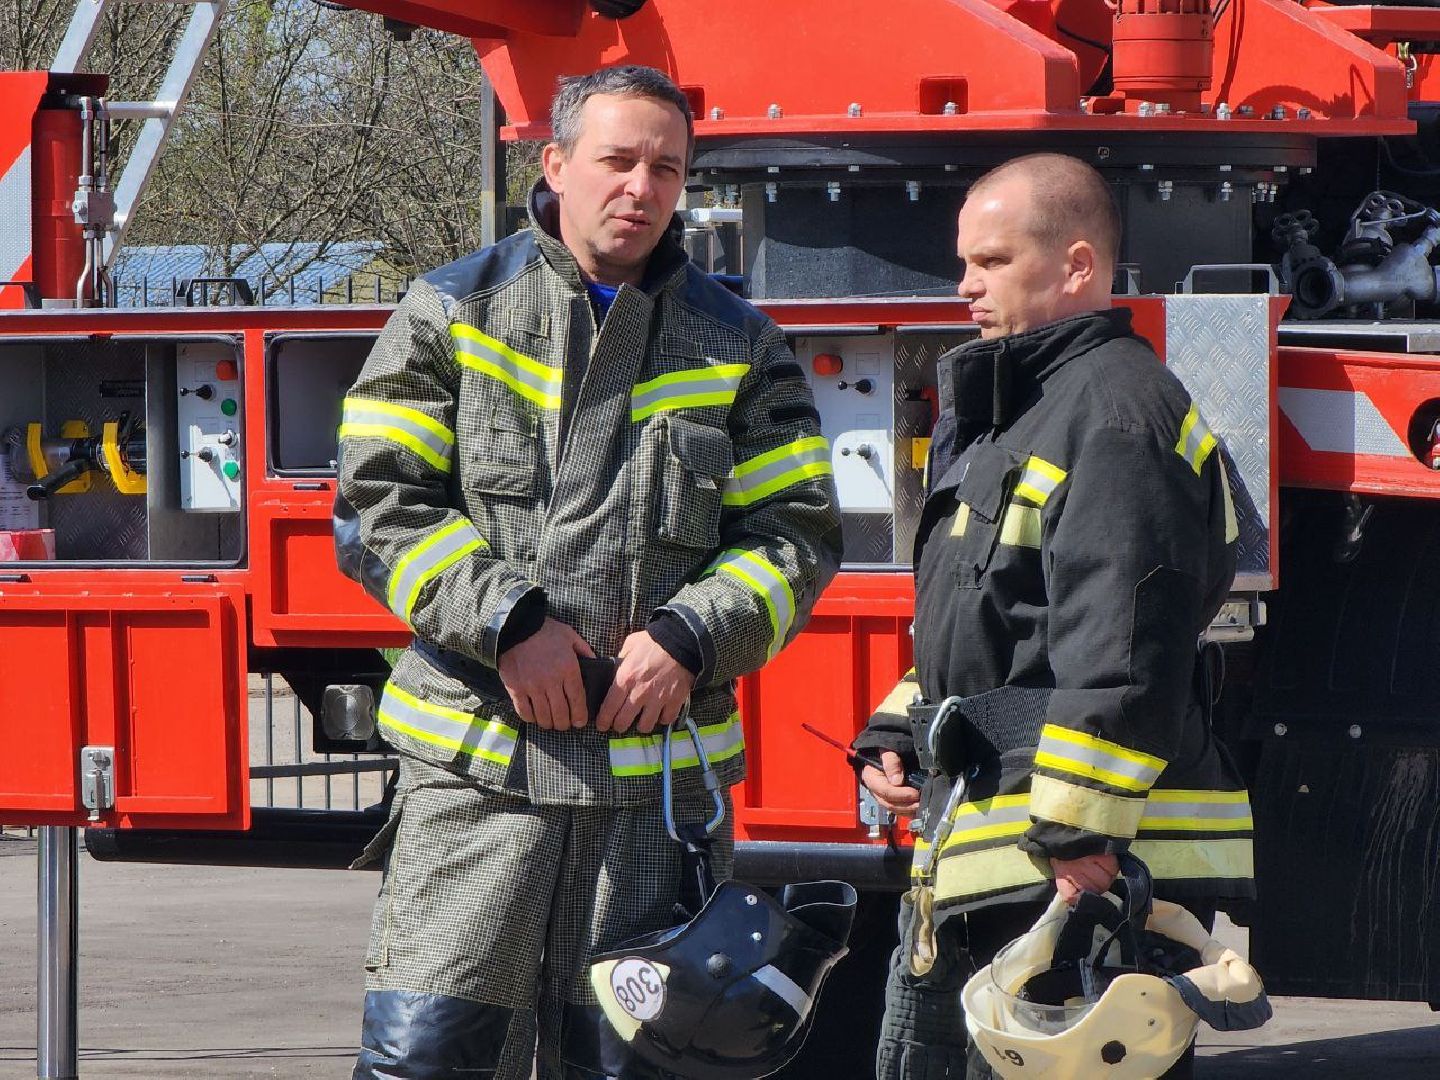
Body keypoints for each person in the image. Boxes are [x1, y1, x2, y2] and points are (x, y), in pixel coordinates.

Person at [334, 64, 842, 1079]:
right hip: (477, 788)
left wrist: (693, 636)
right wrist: (509, 625)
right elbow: (376, 503)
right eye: (617, 160)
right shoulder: (451, 312)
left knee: (633, 1065)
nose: (642, 188)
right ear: (556, 164)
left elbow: (797, 534)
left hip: (649, 807)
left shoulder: (739, 343)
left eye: (668, 168)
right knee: (429, 1059)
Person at [853, 153, 1255, 1079]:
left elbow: (1125, 642)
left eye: (991, 261)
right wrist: (897, 730)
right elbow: (991, 625)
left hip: (1069, 886)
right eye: (965, 262)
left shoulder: (1116, 418)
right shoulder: (1024, 415)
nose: (965, 285)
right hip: (998, 874)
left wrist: (1081, 836)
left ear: (1077, 265)